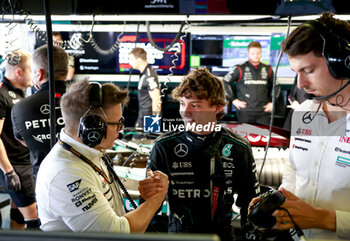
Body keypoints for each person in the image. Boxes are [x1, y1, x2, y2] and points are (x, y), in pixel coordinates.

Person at [35, 78, 169, 232]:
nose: (121, 130)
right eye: (117, 123)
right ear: (92, 129)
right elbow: (117, 234)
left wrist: (146, 197)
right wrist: (156, 198)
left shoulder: (90, 154)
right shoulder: (65, 172)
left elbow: (116, 214)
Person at [146, 67, 260, 241]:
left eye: (195, 105)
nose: (185, 112)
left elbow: (250, 204)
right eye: (182, 103)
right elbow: (147, 209)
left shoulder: (238, 147)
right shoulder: (164, 146)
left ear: (217, 107)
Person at [267, 12, 350, 239]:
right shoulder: (304, 113)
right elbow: (295, 170)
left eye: (309, 70)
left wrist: (322, 218)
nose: (301, 85)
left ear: (343, 63)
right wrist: (282, 198)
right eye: (296, 73)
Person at [11, 45, 69, 178]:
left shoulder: (20, 108)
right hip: (83, 177)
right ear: (66, 71)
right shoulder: (84, 100)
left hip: (45, 180)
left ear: (39, 73)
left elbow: (23, 140)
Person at [0, 50, 40, 229]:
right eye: (32, 70)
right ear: (19, 72)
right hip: (15, 167)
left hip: (24, 163)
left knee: (18, 214)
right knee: (34, 218)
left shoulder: (20, 92)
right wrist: (9, 172)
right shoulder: (2, 94)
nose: (35, 73)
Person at [223, 41, 278, 125]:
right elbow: (225, 82)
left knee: (265, 136)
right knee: (243, 137)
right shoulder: (239, 68)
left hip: (263, 111)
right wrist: (233, 100)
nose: (256, 55)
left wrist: (272, 102)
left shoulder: (268, 69)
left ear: (261, 53)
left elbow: (276, 85)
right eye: (253, 53)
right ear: (248, 54)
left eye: (258, 53)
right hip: (245, 111)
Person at [129, 47, 161, 127]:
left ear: (139, 60)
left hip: (149, 118)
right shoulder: (144, 74)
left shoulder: (150, 75)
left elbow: (156, 100)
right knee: (134, 138)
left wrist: (154, 123)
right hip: (142, 116)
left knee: (140, 139)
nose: (130, 62)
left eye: (131, 59)